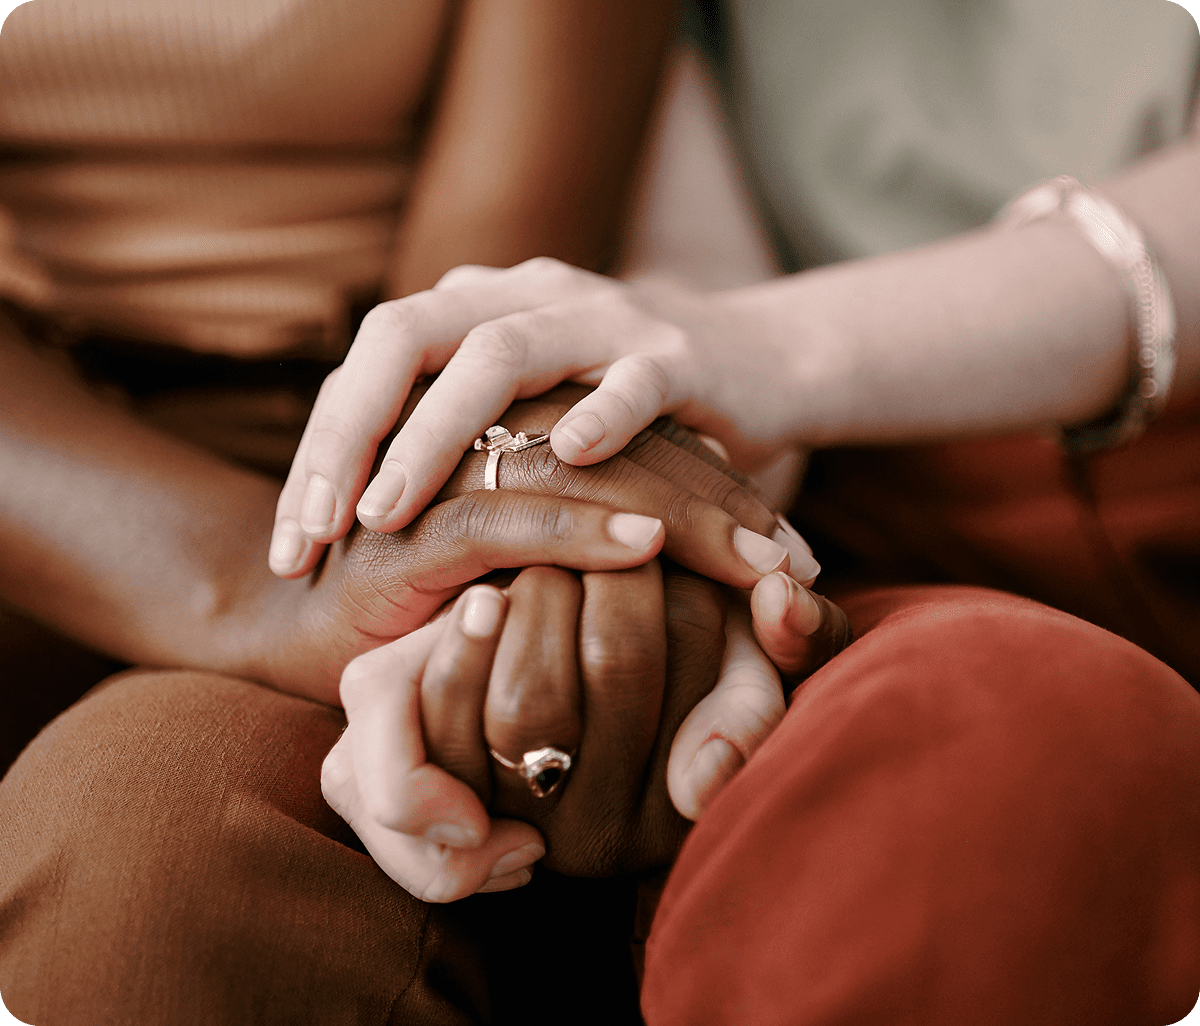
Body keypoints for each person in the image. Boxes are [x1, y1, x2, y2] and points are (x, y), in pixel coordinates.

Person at [276, 1, 1200, 1022]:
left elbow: (728, 330)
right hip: (852, 490)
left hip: (868, 390)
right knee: (971, 766)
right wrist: (612, 548)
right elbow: (693, 272)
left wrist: (762, 349)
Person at [0, 1, 846, 1022]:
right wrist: (275, 593)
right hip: (51, 473)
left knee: (148, 853)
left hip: (399, 425)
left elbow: (475, 304)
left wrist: (478, 538)